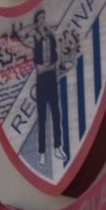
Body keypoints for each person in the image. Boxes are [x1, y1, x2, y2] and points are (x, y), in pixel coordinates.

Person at [29, 9, 69, 167]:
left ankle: (58, 147)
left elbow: (55, 59)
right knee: (42, 119)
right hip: (42, 82)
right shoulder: (35, 39)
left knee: (56, 115)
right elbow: (38, 67)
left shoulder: (51, 37)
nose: (43, 22)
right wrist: (49, 67)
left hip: (51, 81)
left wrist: (55, 66)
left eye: (44, 19)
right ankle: (41, 152)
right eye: (40, 19)